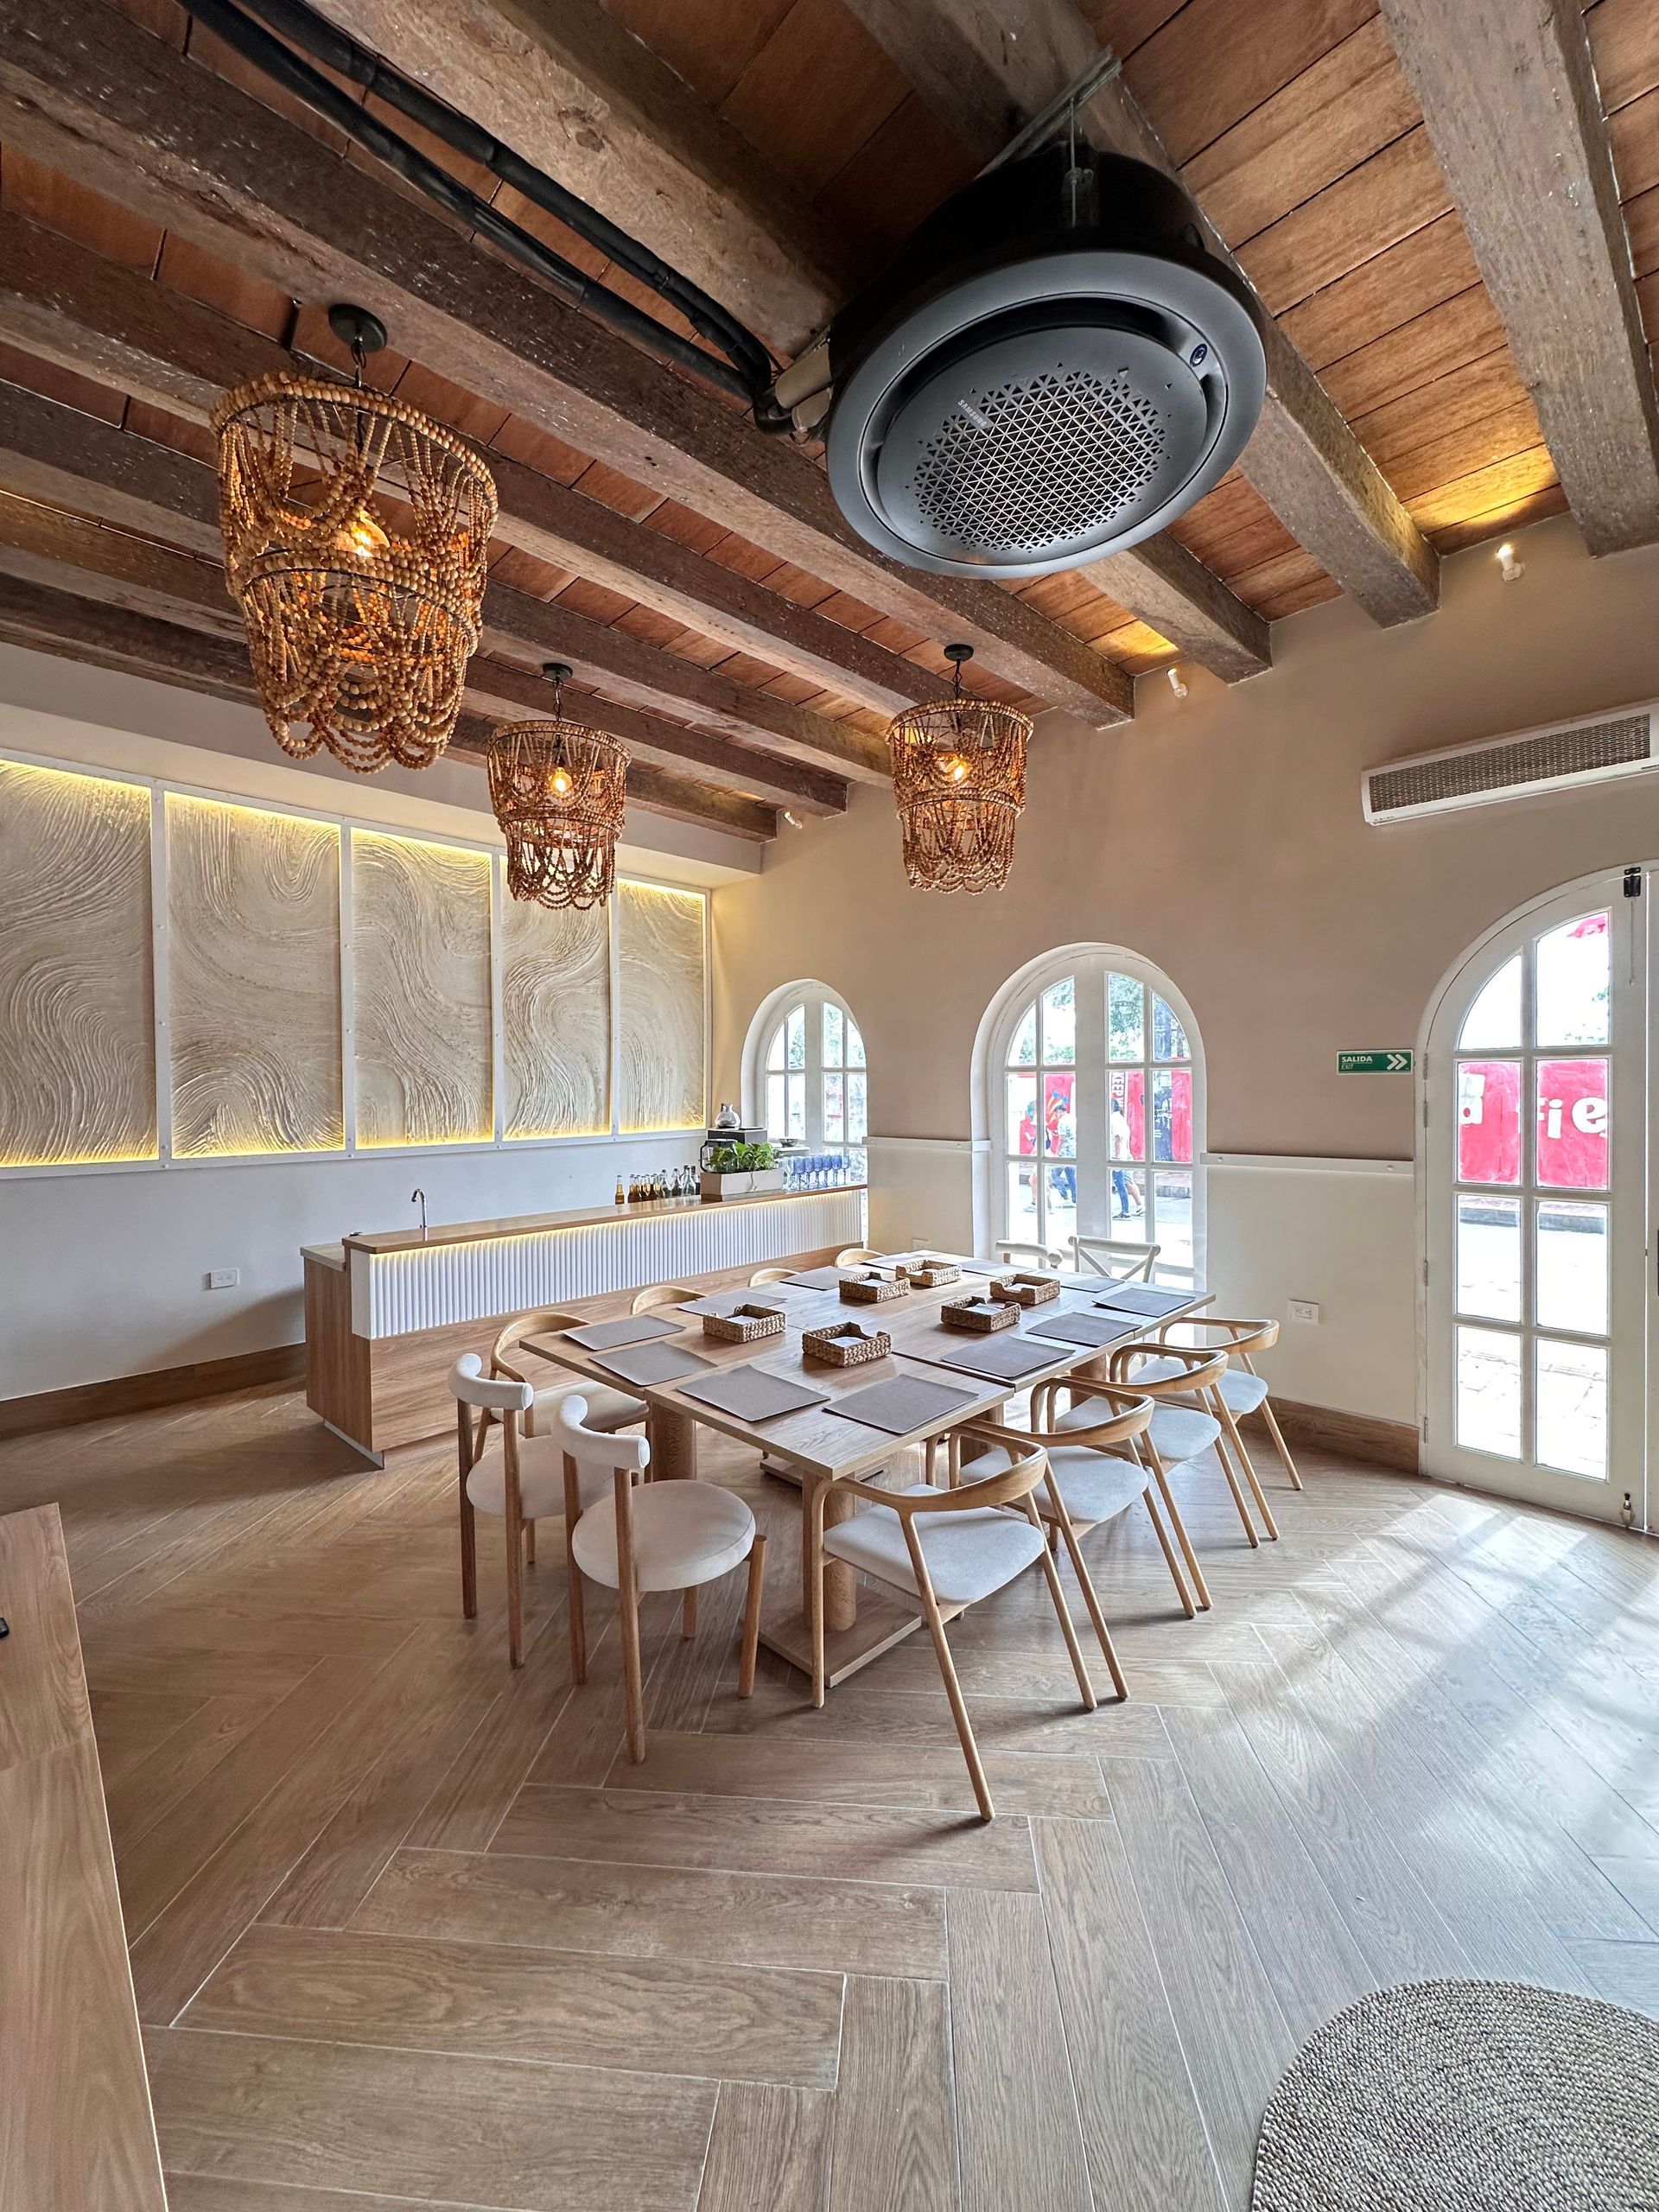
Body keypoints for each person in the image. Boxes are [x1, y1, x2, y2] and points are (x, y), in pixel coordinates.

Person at [1109, 1096, 1143, 1217]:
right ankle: (1139, 1206)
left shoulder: (1113, 1119)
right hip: (1125, 1155)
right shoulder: (1121, 1119)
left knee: (1120, 1184)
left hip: (1118, 1158)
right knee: (1127, 1182)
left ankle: (1125, 1210)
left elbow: (1118, 1138)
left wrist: (1117, 1157)